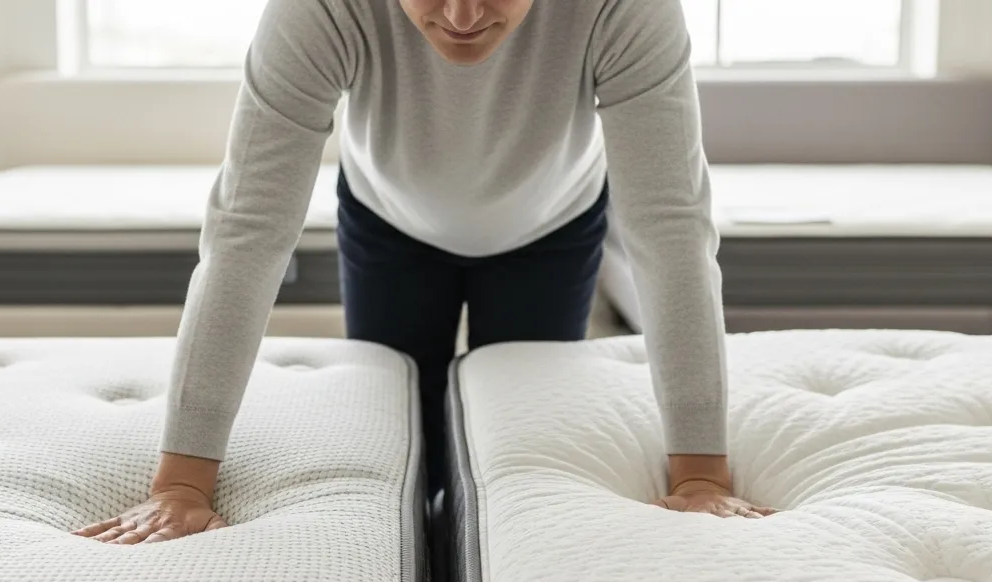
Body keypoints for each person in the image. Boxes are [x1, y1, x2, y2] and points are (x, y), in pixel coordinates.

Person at [73, 0, 775, 547]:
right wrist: (183, 484)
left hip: (552, 225)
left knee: (519, 460)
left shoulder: (628, 9)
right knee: (405, 461)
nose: (463, 16)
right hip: (389, 220)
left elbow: (671, 229)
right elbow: (247, 233)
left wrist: (700, 475)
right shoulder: (317, 10)